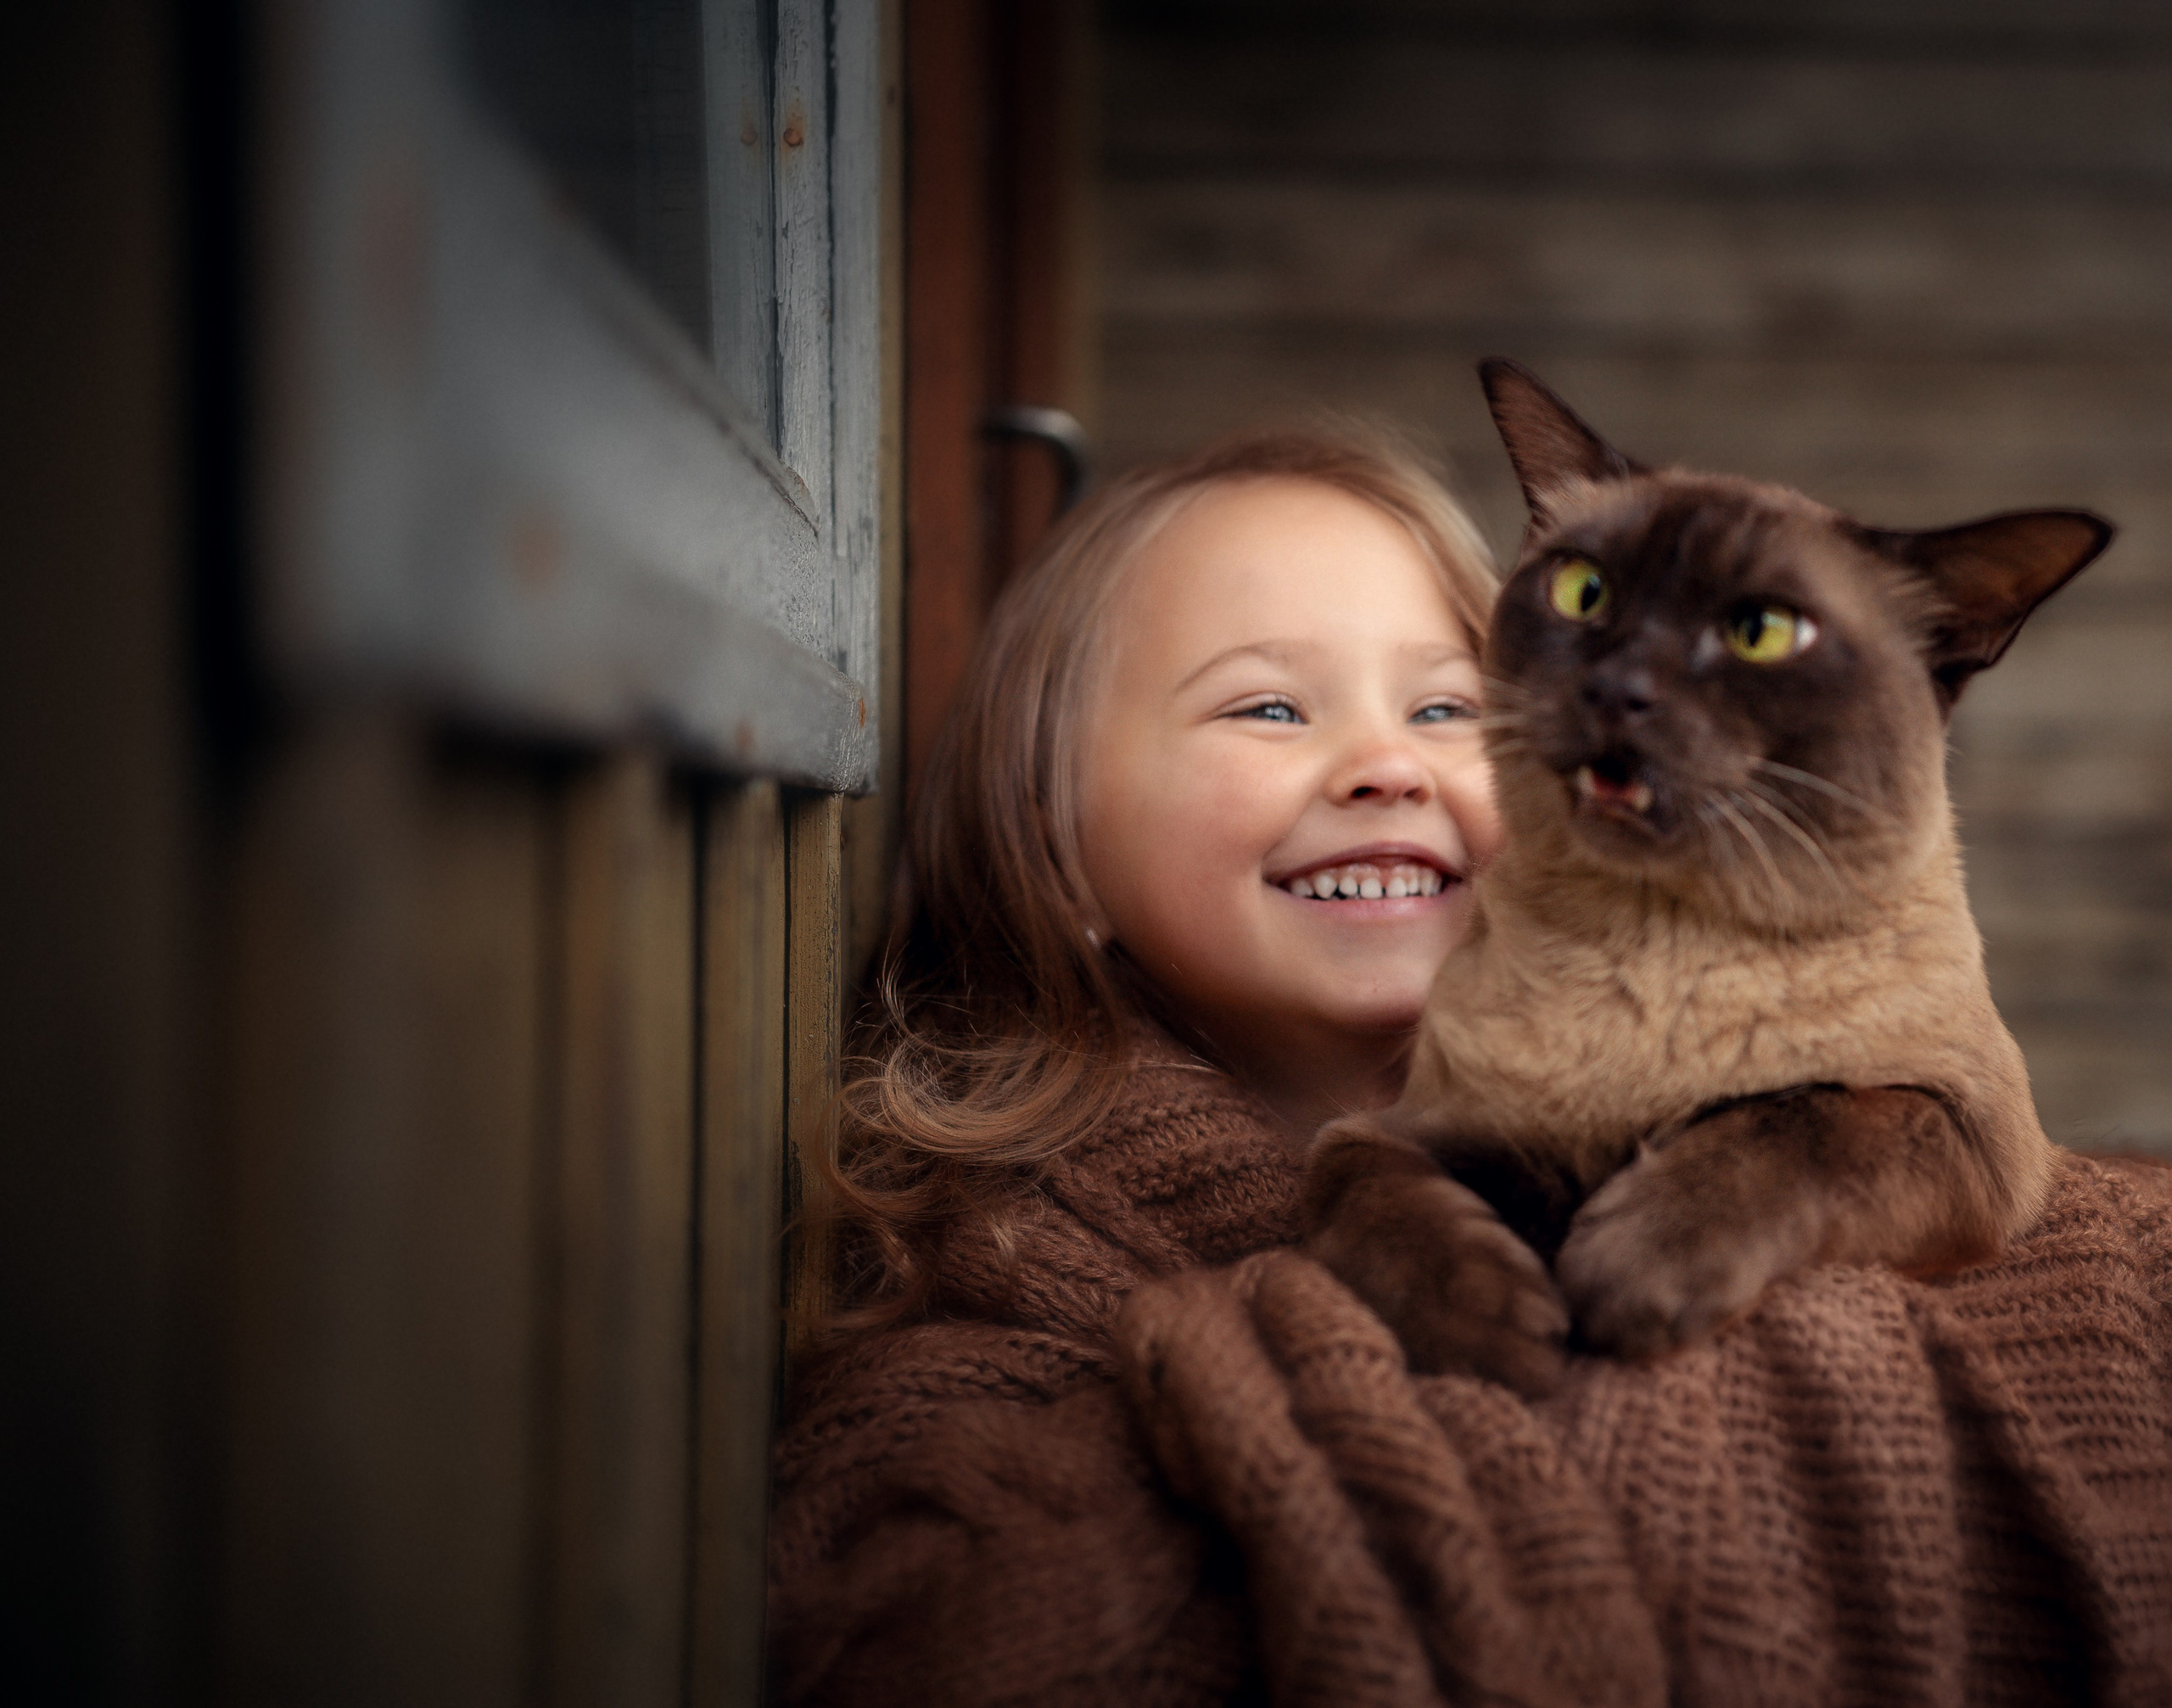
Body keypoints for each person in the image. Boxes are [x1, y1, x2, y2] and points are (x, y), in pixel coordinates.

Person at [767, 429, 2172, 1707]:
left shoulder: (1855, 1094)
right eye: (1267, 709)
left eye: (1446, 711)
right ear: (1056, 836)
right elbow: (914, 1635)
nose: (1387, 764)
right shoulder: (978, 1255)